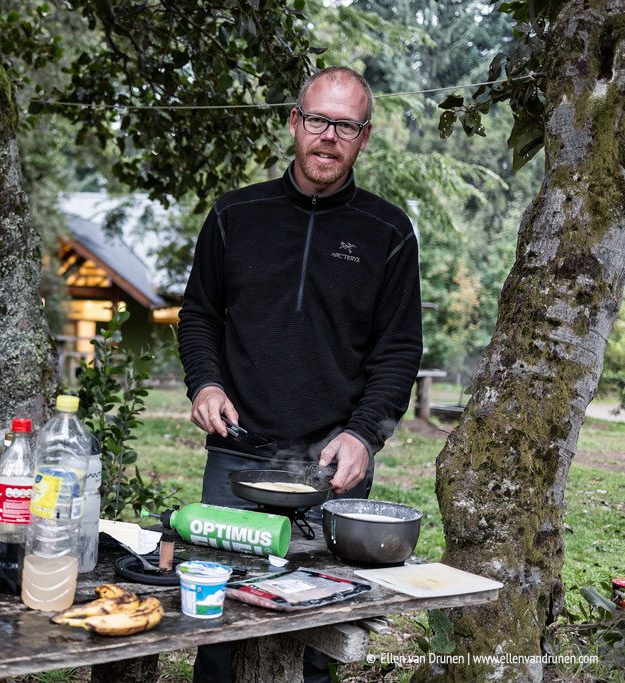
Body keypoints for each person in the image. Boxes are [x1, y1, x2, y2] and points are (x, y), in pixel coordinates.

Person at [178, 66, 423, 683]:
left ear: (363, 137)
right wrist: (205, 383)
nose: (328, 136)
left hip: (333, 470)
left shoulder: (388, 232)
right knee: (221, 628)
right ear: (295, 123)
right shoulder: (237, 214)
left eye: (345, 126)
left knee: (318, 636)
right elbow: (199, 315)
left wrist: (365, 436)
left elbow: (399, 350)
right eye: (318, 120)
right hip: (238, 461)